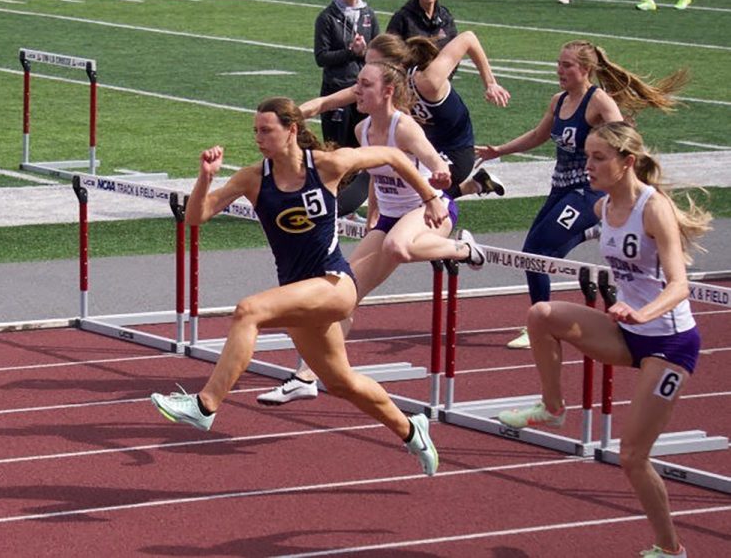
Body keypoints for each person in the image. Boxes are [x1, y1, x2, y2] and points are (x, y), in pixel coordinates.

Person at [150, 97, 443, 476]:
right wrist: (206, 176)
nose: (259, 138)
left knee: (248, 310)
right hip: (300, 295)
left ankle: (205, 406)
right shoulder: (253, 178)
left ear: (291, 130)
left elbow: (394, 156)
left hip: (335, 284)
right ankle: (411, 429)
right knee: (343, 383)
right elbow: (196, 218)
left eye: (266, 130)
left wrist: (431, 197)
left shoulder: (328, 166)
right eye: (255, 131)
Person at [497, 121, 711, 558]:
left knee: (632, 457)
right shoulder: (600, 209)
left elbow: (678, 285)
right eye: (586, 157)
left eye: (598, 158)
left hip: (669, 344)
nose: (587, 166)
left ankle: (671, 549)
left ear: (627, 162)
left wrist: (641, 311)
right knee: (542, 315)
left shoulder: (654, 209)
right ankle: (554, 408)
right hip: (626, 332)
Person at [256, 57, 488, 406]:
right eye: (358, 84)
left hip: (430, 209)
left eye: (365, 85)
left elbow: (436, 162)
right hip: (390, 218)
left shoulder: (404, 127)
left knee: (397, 247)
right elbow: (376, 177)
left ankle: (465, 249)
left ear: (388, 91)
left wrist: (440, 175)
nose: (357, 90)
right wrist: (373, 214)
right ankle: (307, 376)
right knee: (345, 294)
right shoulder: (362, 129)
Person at [475, 40, 688, 349]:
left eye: (567, 65)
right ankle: (591, 231)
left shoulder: (598, 101)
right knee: (537, 257)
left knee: (535, 252)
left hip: (587, 191)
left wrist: (638, 186)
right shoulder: (558, 101)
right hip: (560, 187)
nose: (559, 70)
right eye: (559, 64)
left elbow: (625, 142)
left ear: (585, 70)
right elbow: (538, 135)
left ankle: (538, 324)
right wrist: (499, 150)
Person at [301, 31, 511, 202]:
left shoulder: (427, 81)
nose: (367, 70)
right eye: (365, 63)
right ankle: (474, 186)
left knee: (413, 193)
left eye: (373, 65)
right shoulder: (379, 86)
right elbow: (325, 103)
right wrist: (287, 116)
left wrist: (490, 82)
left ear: (395, 65)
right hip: (420, 147)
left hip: (454, 153)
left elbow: (468, 38)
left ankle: (458, 243)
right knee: (382, 173)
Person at [314, 0, 380, 150]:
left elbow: (378, 55)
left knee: (362, 147)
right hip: (336, 88)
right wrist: (351, 52)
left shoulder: (369, 15)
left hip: (363, 91)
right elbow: (321, 57)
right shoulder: (327, 17)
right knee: (337, 148)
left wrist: (364, 52)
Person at [387, 0, 457, 52]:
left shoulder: (445, 17)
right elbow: (390, 50)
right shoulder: (402, 18)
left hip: (441, 64)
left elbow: (454, 47)